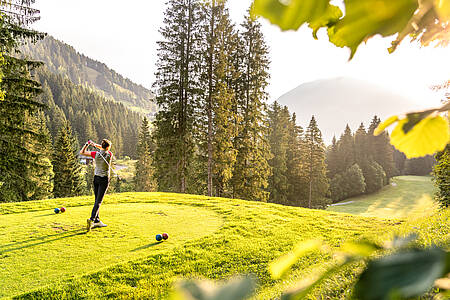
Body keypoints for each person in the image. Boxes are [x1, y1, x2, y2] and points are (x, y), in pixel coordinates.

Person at [80, 139, 114, 232]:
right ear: (108, 147)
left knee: (96, 200)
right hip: (104, 180)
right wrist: (96, 145)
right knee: (99, 201)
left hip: (96, 178)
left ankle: (97, 221)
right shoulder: (109, 155)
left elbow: (82, 152)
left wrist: (87, 144)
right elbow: (104, 148)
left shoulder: (95, 154)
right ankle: (91, 219)